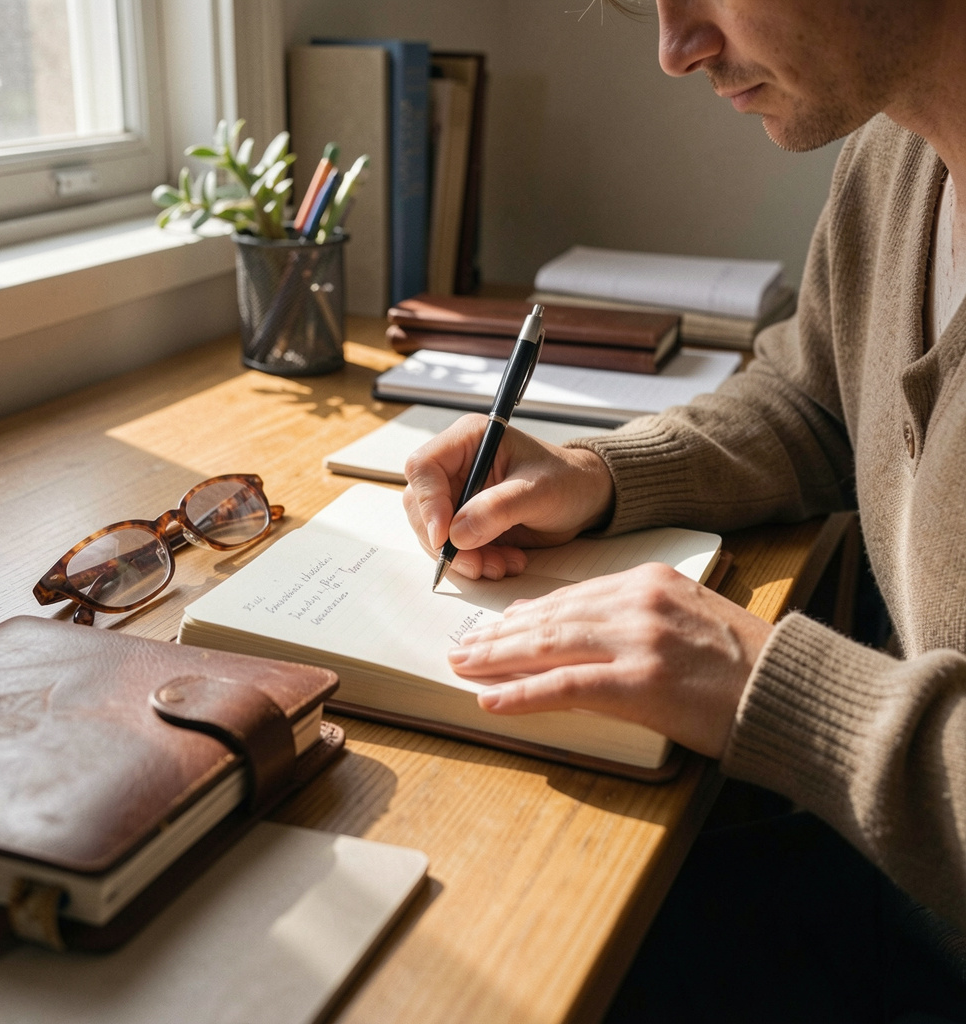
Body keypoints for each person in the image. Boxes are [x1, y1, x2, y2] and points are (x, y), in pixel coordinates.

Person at [401, 1, 966, 1020]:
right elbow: (813, 396)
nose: (675, 50)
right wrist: (603, 474)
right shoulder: (897, 156)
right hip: (888, 895)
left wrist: (766, 683)